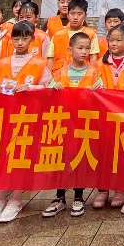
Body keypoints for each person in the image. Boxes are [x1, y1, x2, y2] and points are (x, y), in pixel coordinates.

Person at [44, 32, 102, 219]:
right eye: (80, 48)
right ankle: (59, 197)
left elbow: (102, 96)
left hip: (84, 125)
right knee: (61, 160)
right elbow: (48, 94)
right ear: (70, 50)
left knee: (80, 159)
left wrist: (98, 91)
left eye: (87, 48)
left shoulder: (94, 73)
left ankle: (79, 196)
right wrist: (53, 88)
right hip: (63, 124)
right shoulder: (60, 73)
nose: (84, 52)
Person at [46, 0, 93, 74]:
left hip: (83, 73)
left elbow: (93, 57)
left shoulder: (91, 34)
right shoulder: (57, 35)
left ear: (85, 15)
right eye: (72, 13)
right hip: (59, 75)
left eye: (79, 14)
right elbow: (50, 58)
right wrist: (48, 77)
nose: (75, 17)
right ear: (67, 15)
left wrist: (91, 74)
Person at [97, 24, 124, 91]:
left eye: (118, 40)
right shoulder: (101, 62)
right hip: (106, 96)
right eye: (111, 40)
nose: (114, 43)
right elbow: (98, 82)